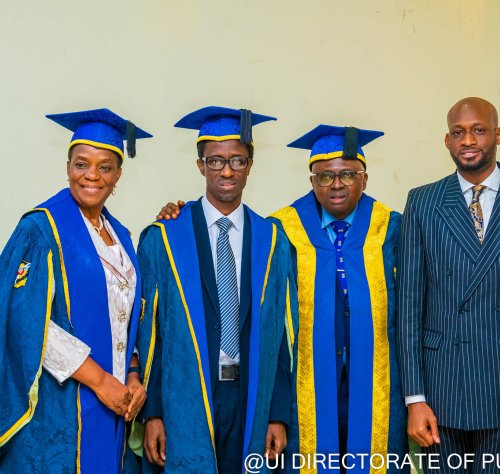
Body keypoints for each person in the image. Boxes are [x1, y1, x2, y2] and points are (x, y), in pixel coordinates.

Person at [397, 97, 500, 473]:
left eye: (478, 130)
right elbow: (408, 306)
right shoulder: (423, 202)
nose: (468, 140)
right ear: (446, 141)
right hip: (440, 386)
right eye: (458, 132)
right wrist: (415, 398)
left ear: (498, 135)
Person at [134, 107, 294, 473]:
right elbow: (150, 334)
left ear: (250, 165)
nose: (226, 170)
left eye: (237, 160)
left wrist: (278, 413)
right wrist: (154, 412)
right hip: (185, 398)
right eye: (216, 160)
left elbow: (280, 336)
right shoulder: (165, 239)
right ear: (200, 165)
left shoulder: (273, 241)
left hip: (251, 394)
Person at [0, 108, 151, 473]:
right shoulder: (41, 229)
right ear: (68, 166)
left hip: (115, 404)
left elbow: (125, 315)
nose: (92, 176)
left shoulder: (120, 236)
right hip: (60, 404)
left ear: (118, 174)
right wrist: (101, 382)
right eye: (82, 164)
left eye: (105, 167)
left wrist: (131, 375)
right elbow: (26, 320)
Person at [271, 125, 407, 472]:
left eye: (348, 174)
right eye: (325, 176)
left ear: (365, 178)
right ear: (312, 180)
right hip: (308, 382)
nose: (336, 184)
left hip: (378, 380)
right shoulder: (282, 229)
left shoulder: (391, 228)